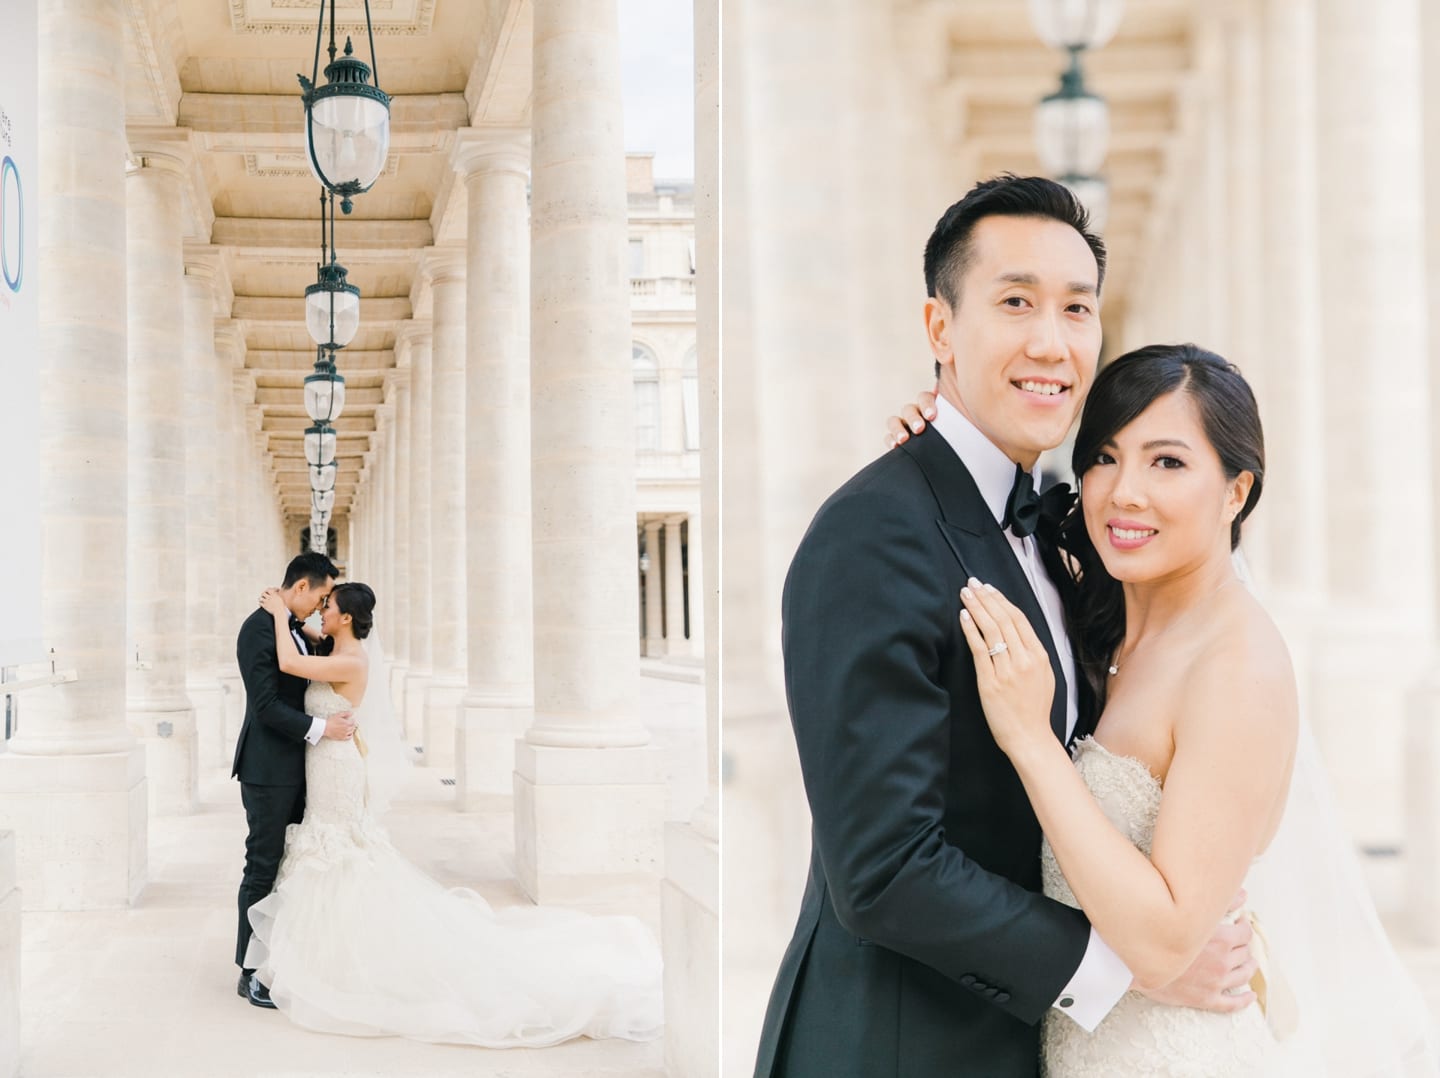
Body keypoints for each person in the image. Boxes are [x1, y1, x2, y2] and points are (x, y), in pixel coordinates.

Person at [752, 176, 1254, 1078]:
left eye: (1076, 309)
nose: (1050, 342)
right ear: (940, 329)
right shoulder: (871, 536)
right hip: (898, 1046)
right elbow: (883, 871)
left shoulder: (1065, 530)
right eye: (1015, 302)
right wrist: (1130, 970)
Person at [893, 349, 1440, 1075]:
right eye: (1105, 458)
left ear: (1237, 490)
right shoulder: (1101, 612)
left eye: (1168, 463)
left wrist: (1031, 739)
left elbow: (1165, 941)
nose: (1125, 494)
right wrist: (935, 451)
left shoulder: (1236, 666)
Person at [242, 581, 664, 1047]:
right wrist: (295, 622)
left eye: (329, 606)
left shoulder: (351, 658)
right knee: (331, 850)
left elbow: (290, 663)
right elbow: (305, 659)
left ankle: (339, 960)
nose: (321, 611)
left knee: (337, 849)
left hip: (337, 767)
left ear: (345, 617)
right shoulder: (336, 646)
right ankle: (322, 955)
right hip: (325, 759)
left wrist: (281, 615)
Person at [232, 551, 354, 1009]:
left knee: (289, 866)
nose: (319, 608)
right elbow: (265, 706)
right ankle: (249, 970)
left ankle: (281, 954)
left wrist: (297, 624)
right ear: (300, 587)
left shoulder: (292, 629)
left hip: (298, 768)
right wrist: (324, 730)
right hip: (268, 771)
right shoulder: (257, 629)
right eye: (319, 597)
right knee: (262, 866)